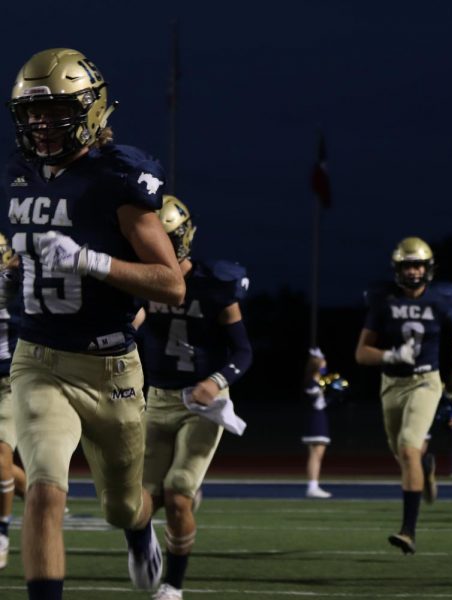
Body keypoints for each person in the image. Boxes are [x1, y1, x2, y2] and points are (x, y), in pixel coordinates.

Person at [3, 48, 186, 599]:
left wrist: (90, 260)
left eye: (55, 109)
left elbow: (171, 283)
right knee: (43, 490)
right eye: (31, 113)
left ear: (92, 108)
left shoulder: (116, 177)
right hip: (38, 359)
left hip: (111, 368)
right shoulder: (15, 176)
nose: (41, 123)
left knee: (122, 505)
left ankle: (137, 532)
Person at [134, 195, 252, 600]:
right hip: (156, 398)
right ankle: (144, 547)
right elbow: (129, 325)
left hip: (200, 403)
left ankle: (172, 585)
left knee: (179, 494)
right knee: (140, 503)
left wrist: (218, 380)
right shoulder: (141, 280)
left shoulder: (215, 285)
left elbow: (243, 351)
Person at [356, 237, 452, 556]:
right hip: (392, 384)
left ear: (428, 269)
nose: (413, 272)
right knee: (404, 455)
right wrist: (390, 356)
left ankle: (408, 531)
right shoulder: (383, 300)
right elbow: (361, 353)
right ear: (397, 269)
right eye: (407, 266)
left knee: (408, 448)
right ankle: (427, 465)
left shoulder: (441, 301)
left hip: (427, 381)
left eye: (418, 265)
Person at [0, 233, 26, 570]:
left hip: (11, 382)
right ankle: (40, 492)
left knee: (0, 456)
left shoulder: (18, 287)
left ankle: (2, 532)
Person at [302, 348, 336, 498]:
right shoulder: (311, 383)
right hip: (315, 420)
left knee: (317, 454)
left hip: (318, 418)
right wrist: (333, 395)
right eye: (323, 364)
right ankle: (313, 485)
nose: (324, 367)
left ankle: (313, 484)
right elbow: (318, 403)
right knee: (316, 454)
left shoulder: (316, 383)